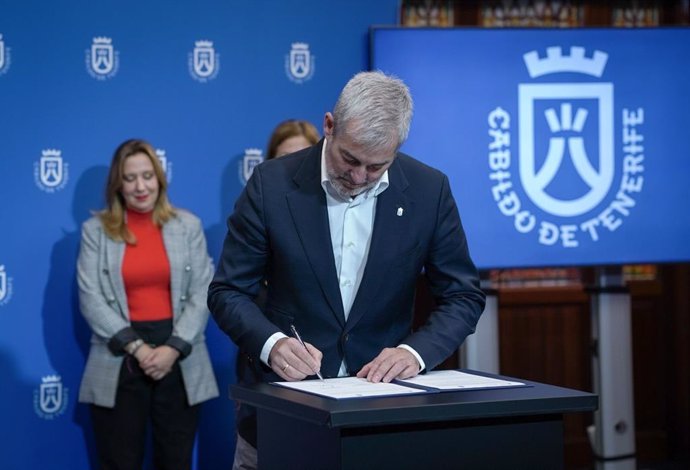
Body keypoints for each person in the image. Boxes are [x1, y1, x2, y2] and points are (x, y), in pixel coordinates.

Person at [208, 71, 486, 469]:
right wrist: (273, 344)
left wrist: (414, 353)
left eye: (376, 168)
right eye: (350, 159)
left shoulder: (429, 190)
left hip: (382, 422)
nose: (358, 178)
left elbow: (463, 295)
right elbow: (228, 292)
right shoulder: (271, 184)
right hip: (283, 417)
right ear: (329, 126)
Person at [77, 138, 219, 470]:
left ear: (159, 179)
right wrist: (139, 349)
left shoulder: (188, 226)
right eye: (130, 178)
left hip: (180, 356)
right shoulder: (95, 231)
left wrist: (172, 347)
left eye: (147, 176)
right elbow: (91, 298)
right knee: (119, 461)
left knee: (176, 460)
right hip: (120, 357)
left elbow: (203, 291)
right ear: (118, 184)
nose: (141, 186)